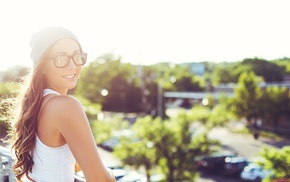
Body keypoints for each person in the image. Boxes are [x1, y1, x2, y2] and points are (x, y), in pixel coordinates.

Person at [8, 26, 116, 182]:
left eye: (77, 56)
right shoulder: (65, 106)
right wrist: (111, 174)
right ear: (42, 65)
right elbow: (100, 179)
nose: (73, 66)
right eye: (61, 58)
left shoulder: (35, 104)